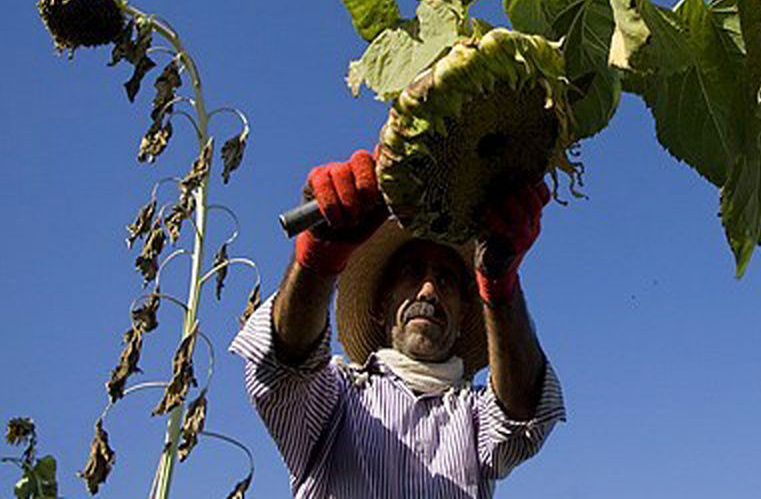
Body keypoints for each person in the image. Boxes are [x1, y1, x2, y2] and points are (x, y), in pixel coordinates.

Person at [231, 150, 565, 498]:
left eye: (447, 280)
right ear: (380, 306)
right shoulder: (338, 398)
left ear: (466, 314)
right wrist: (319, 256)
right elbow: (284, 365)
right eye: (412, 272)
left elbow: (522, 414)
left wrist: (500, 281)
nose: (429, 290)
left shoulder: (474, 418)